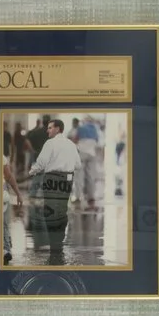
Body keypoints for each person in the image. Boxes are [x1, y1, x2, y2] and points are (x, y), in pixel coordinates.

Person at [24, 116, 81, 265]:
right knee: (62, 211)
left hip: (52, 179)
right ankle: (58, 245)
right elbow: (78, 165)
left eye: (50, 128)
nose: (48, 131)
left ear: (57, 129)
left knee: (49, 211)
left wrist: (31, 171)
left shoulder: (50, 143)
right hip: (67, 180)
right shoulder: (71, 144)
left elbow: (41, 163)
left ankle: (54, 247)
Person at [71, 113, 105, 210]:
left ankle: (78, 197)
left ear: (85, 121)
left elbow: (74, 139)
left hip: (81, 153)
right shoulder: (95, 129)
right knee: (90, 176)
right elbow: (98, 141)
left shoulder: (80, 128)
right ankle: (91, 197)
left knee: (79, 175)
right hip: (92, 154)